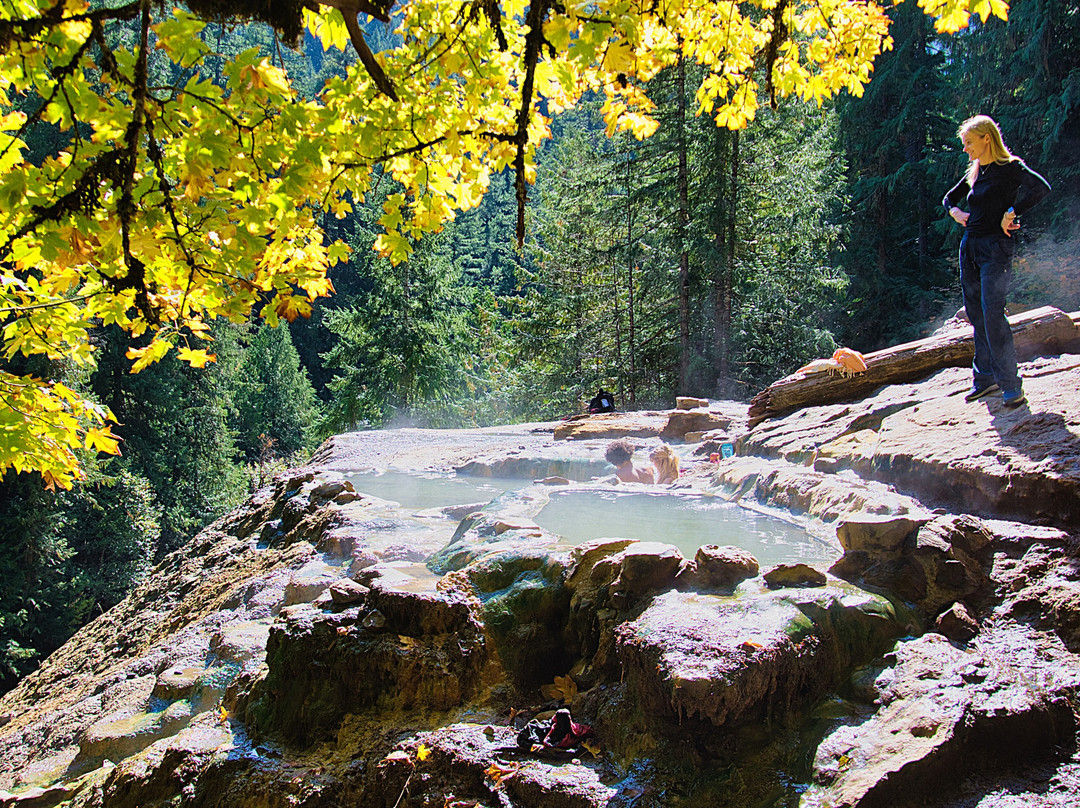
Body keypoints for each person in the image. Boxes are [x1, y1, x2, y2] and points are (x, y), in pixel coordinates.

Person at [942, 114, 1051, 409]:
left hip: (996, 248)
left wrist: (1012, 211)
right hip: (970, 248)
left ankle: (1011, 386)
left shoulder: (1010, 167)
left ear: (986, 138)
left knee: (992, 314)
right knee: (976, 315)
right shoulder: (976, 170)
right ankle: (985, 378)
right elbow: (948, 198)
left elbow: (1041, 188)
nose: (966, 149)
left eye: (969, 143)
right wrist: (956, 213)